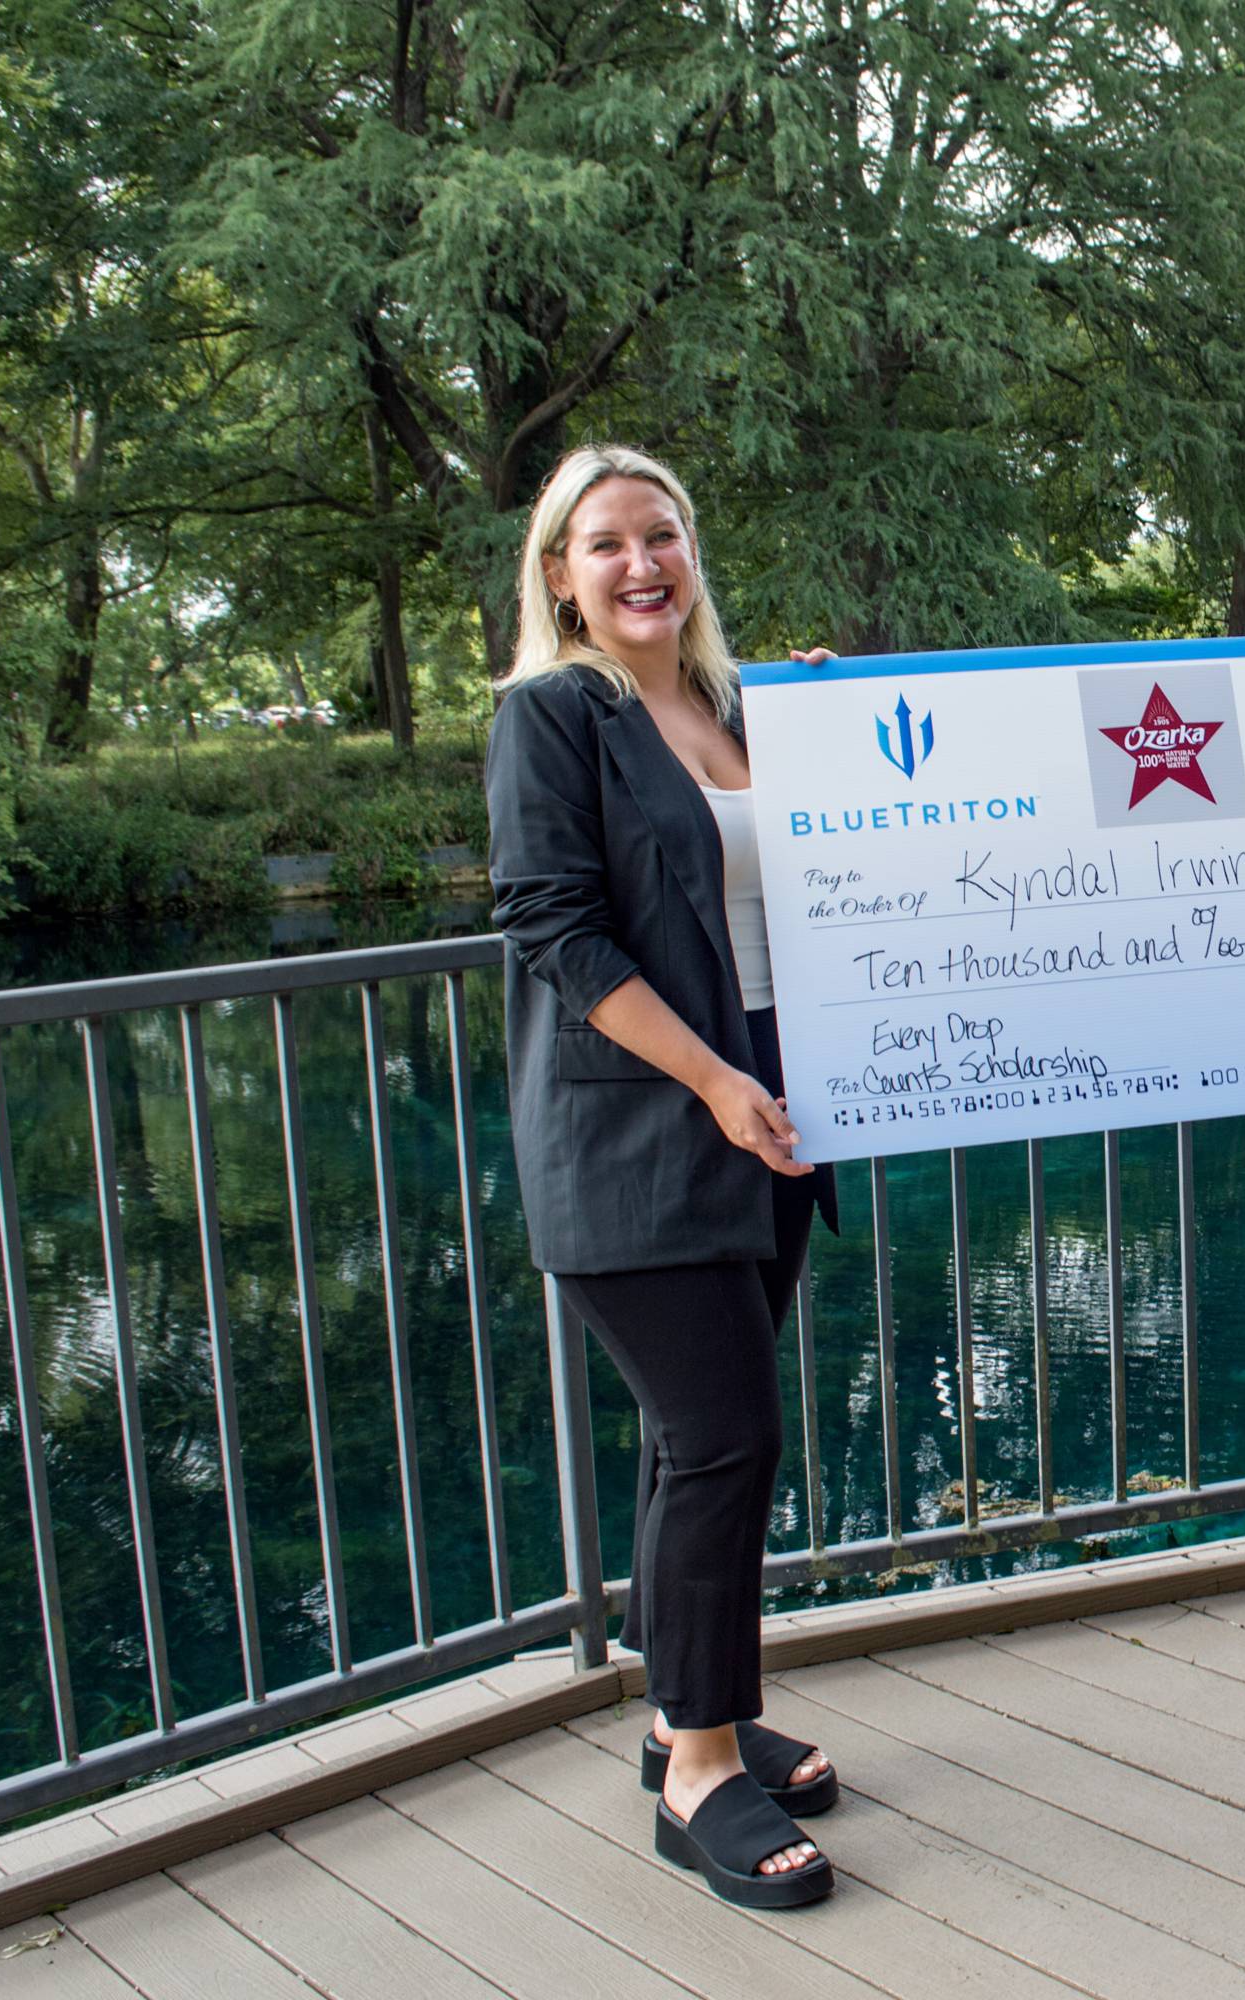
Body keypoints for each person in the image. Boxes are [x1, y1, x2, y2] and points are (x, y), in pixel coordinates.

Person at [486, 444, 846, 1905]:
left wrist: (833, 718)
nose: (641, 563)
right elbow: (557, 933)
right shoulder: (551, 715)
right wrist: (715, 1083)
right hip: (643, 1133)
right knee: (724, 1440)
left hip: (770, 1117)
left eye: (663, 535)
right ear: (560, 574)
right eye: (606, 543)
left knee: (692, 1444)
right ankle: (699, 1775)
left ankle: (687, 1709)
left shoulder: (743, 705)